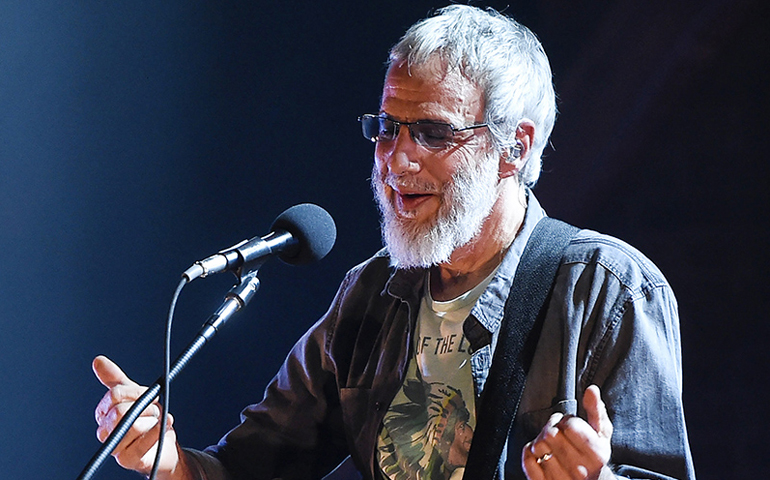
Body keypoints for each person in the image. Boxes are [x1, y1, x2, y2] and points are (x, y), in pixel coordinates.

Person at [93, 5, 696, 480]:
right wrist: (164, 459)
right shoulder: (370, 294)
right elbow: (247, 468)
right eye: (387, 127)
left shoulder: (606, 289)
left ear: (514, 147)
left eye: (433, 132)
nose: (397, 159)